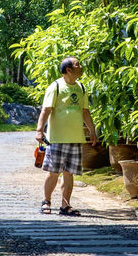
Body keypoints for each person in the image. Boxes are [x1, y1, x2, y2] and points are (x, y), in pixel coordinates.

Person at [35, 56, 97, 216]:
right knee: (53, 172)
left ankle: (65, 205)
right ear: (68, 70)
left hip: (75, 138)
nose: (81, 66)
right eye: (78, 65)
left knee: (69, 173)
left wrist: (92, 130)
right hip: (56, 138)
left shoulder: (81, 87)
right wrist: (39, 130)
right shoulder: (55, 87)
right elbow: (46, 110)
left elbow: (85, 112)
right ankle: (46, 201)